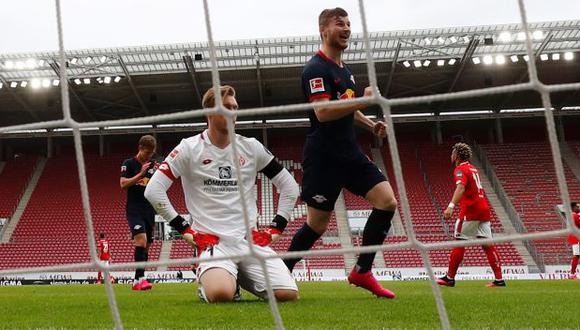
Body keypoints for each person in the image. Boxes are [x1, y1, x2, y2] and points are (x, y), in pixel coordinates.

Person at [145, 85, 299, 303]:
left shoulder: (251, 147)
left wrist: (276, 229)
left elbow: (290, 186)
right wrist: (187, 231)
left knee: (288, 295)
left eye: (235, 107)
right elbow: (153, 190)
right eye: (226, 107)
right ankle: (216, 282)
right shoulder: (189, 148)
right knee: (220, 295)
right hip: (213, 243)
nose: (232, 112)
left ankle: (237, 276)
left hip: (249, 241)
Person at [283, 7, 397, 299]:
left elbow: (347, 108)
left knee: (387, 202)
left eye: (348, 24)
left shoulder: (345, 70)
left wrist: (370, 125)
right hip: (324, 158)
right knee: (317, 225)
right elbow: (322, 112)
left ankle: (362, 271)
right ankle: (283, 272)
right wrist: (364, 100)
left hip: (351, 154)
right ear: (323, 30)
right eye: (339, 24)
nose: (346, 28)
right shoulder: (315, 68)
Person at [437, 143, 505, 288]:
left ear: (457, 156)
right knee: (488, 245)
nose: (451, 156)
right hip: (484, 209)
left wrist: (450, 206)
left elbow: (461, 187)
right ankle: (499, 280)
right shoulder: (473, 168)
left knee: (459, 242)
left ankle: (449, 278)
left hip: (471, 210)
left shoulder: (460, 169)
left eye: (452, 153)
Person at [120, 135, 159, 291]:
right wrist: (140, 175)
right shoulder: (129, 164)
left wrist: (159, 171)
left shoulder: (152, 166)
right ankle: (142, 279)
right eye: (147, 152)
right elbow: (123, 184)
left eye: (151, 153)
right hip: (134, 209)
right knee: (141, 241)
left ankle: (137, 280)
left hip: (149, 210)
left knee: (147, 245)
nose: (149, 156)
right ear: (140, 148)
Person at [567, 202, 580, 279]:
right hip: (576, 238)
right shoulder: (574, 216)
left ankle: (572, 274)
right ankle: (572, 274)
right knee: (576, 255)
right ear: (573, 208)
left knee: (577, 255)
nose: (579, 208)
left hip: (575, 237)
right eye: (577, 207)